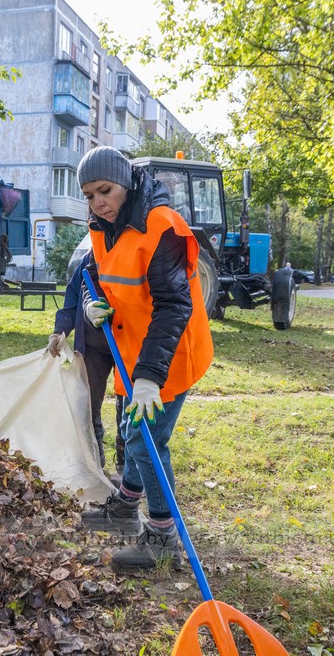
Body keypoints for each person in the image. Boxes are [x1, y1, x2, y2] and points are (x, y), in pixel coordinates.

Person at [76, 146, 214, 571]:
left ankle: (160, 536)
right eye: (90, 195)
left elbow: (174, 306)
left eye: (106, 190)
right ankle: (124, 509)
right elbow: (94, 275)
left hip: (170, 355)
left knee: (147, 440)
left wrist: (151, 377)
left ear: (128, 184)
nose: (99, 201)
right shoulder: (102, 226)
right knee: (131, 430)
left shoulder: (162, 228)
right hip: (133, 351)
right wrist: (90, 302)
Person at [46, 252, 126, 475]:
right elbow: (72, 298)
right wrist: (59, 331)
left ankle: (125, 461)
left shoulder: (132, 252)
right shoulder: (90, 256)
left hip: (127, 344)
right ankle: (94, 458)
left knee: (128, 404)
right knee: (88, 401)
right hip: (93, 345)